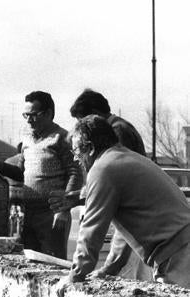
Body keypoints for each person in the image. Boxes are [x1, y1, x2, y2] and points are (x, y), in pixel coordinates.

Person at [55, 115, 190, 295]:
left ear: (90, 148)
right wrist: (109, 268)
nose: (75, 159)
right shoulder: (123, 158)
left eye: (76, 152)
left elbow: (91, 228)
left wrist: (75, 275)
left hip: (178, 254)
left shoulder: (102, 168)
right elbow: (125, 229)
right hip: (182, 247)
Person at [51, 89, 150, 281]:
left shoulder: (116, 135)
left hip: (149, 234)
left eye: (82, 120)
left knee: (129, 278)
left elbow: (109, 186)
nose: (81, 127)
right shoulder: (118, 131)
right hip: (144, 230)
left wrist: (77, 273)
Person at [0, 91, 82, 259]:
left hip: (52, 214)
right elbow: (21, 173)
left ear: (49, 113)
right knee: (30, 260)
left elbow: (75, 173)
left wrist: (64, 208)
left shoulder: (62, 138)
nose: (28, 120)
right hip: (28, 214)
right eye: (26, 115)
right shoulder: (26, 139)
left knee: (52, 262)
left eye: (34, 115)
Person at [69, 89, 145, 156]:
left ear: (94, 114)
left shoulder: (117, 130)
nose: (82, 128)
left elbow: (119, 166)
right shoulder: (120, 126)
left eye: (83, 122)